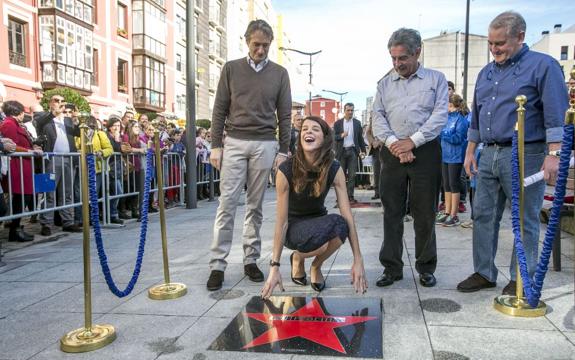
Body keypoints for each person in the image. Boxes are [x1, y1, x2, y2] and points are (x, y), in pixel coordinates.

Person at [457, 11, 568, 295]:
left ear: (520, 37)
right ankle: (483, 271)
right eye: (491, 44)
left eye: (500, 43)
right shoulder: (486, 72)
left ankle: (521, 277)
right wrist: (470, 152)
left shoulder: (544, 66)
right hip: (489, 153)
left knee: (524, 218)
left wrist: (554, 154)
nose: (494, 49)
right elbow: (478, 117)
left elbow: (556, 114)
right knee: (482, 215)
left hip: (527, 154)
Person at [207, 19, 292, 291]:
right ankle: (218, 264)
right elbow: (219, 109)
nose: (261, 50)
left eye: (266, 46)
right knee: (227, 204)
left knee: (255, 206)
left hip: (265, 143)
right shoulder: (231, 69)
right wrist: (215, 146)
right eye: (256, 44)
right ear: (247, 42)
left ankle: (250, 259)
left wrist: (284, 150)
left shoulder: (280, 73)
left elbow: (285, 115)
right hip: (234, 141)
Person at [372, 27, 448, 288]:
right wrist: (396, 145)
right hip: (392, 153)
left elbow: (440, 116)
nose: (397, 64)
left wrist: (412, 142)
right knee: (391, 212)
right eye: (393, 59)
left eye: (402, 58)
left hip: (425, 151)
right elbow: (378, 118)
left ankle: (426, 267)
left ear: (417, 52)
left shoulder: (436, 80)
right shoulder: (384, 84)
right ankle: (391, 268)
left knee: (424, 212)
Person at [261, 116, 367, 298]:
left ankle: (315, 266)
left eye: (315, 129)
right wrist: (274, 267)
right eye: (305, 129)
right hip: (293, 228)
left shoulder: (334, 168)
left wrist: (358, 259)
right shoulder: (286, 170)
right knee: (322, 237)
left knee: (340, 224)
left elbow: (347, 215)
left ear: (325, 138)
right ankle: (297, 257)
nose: (308, 131)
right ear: (300, 138)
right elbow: (281, 223)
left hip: (317, 221)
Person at [35, 94, 82, 235]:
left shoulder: (67, 120)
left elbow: (78, 133)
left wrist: (76, 120)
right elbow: (39, 124)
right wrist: (54, 113)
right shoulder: (43, 117)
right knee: (48, 192)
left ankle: (67, 221)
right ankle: (46, 223)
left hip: (68, 159)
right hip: (50, 160)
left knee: (67, 193)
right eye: (57, 101)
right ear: (50, 103)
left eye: (62, 101)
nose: (60, 103)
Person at [0, 100, 43, 242]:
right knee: (21, 197)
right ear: (18, 112)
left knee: (24, 197)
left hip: (23, 165)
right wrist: (29, 150)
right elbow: (11, 145)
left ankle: (16, 228)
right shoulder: (8, 124)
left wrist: (33, 147)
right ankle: (15, 229)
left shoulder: (14, 124)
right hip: (17, 166)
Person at [436, 94, 469, 227]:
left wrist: (443, 134)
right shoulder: (446, 119)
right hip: (445, 155)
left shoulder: (461, 120)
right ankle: (447, 211)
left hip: (455, 156)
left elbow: (458, 138)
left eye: (448, 105)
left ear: (453, 105)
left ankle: (454, 214)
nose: (446, 108)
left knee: (454, 185)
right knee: (446, 185)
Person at [333, 103, 367, 204]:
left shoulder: (357, 123)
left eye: (352, 110)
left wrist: (363, 151)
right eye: (348, 110)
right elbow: (333, 137)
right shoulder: (338, 123)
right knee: (341, 176)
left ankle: (350, 196)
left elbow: (360, 139)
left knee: (352, 175)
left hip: (353, 151)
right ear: (344, 111)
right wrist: (341, 135)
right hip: (341, 152)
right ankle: (340, 197)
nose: (350, 112)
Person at [365, 115, 383, 200]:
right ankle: (377, 192)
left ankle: (384, 192)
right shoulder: (371, 124)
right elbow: (368, 133)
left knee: (385, 172)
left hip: (385, 148)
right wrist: (373, 142)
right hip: (375, 151)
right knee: (376, 172)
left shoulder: (385, 121)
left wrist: (379, 142)